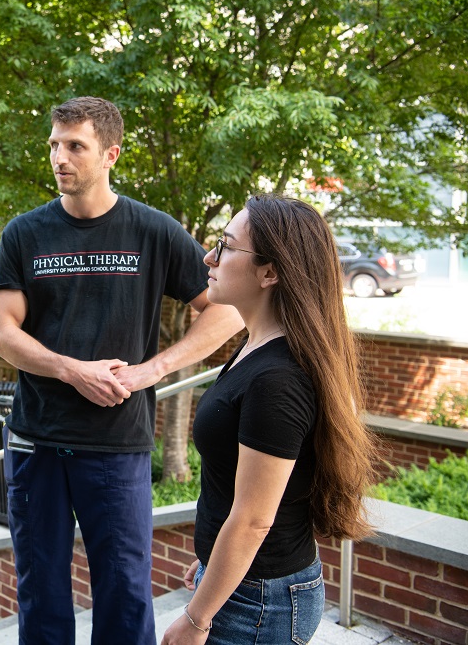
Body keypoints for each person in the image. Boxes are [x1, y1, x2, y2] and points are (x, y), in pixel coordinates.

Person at [0, 96, 244, 645]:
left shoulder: (152, 231)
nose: (59, 157)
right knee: (42, 594)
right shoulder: (24, 234)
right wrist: (70, 370)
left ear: (111, 154)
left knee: (126, 594)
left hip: (117, 444)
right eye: (54, 144)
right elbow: (3, 334)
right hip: (37, 442)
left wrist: (153, 370)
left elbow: (227, 311)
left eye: (75, 146)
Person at [160, 195, 379, 645]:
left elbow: (255, 519)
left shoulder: (277, 379)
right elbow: (235, 493)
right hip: (242, 585)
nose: (208, 256)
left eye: (225, 245)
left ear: (270, 272)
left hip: (259, 603)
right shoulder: (255, 347)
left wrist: (198, 617)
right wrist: (210, 561)